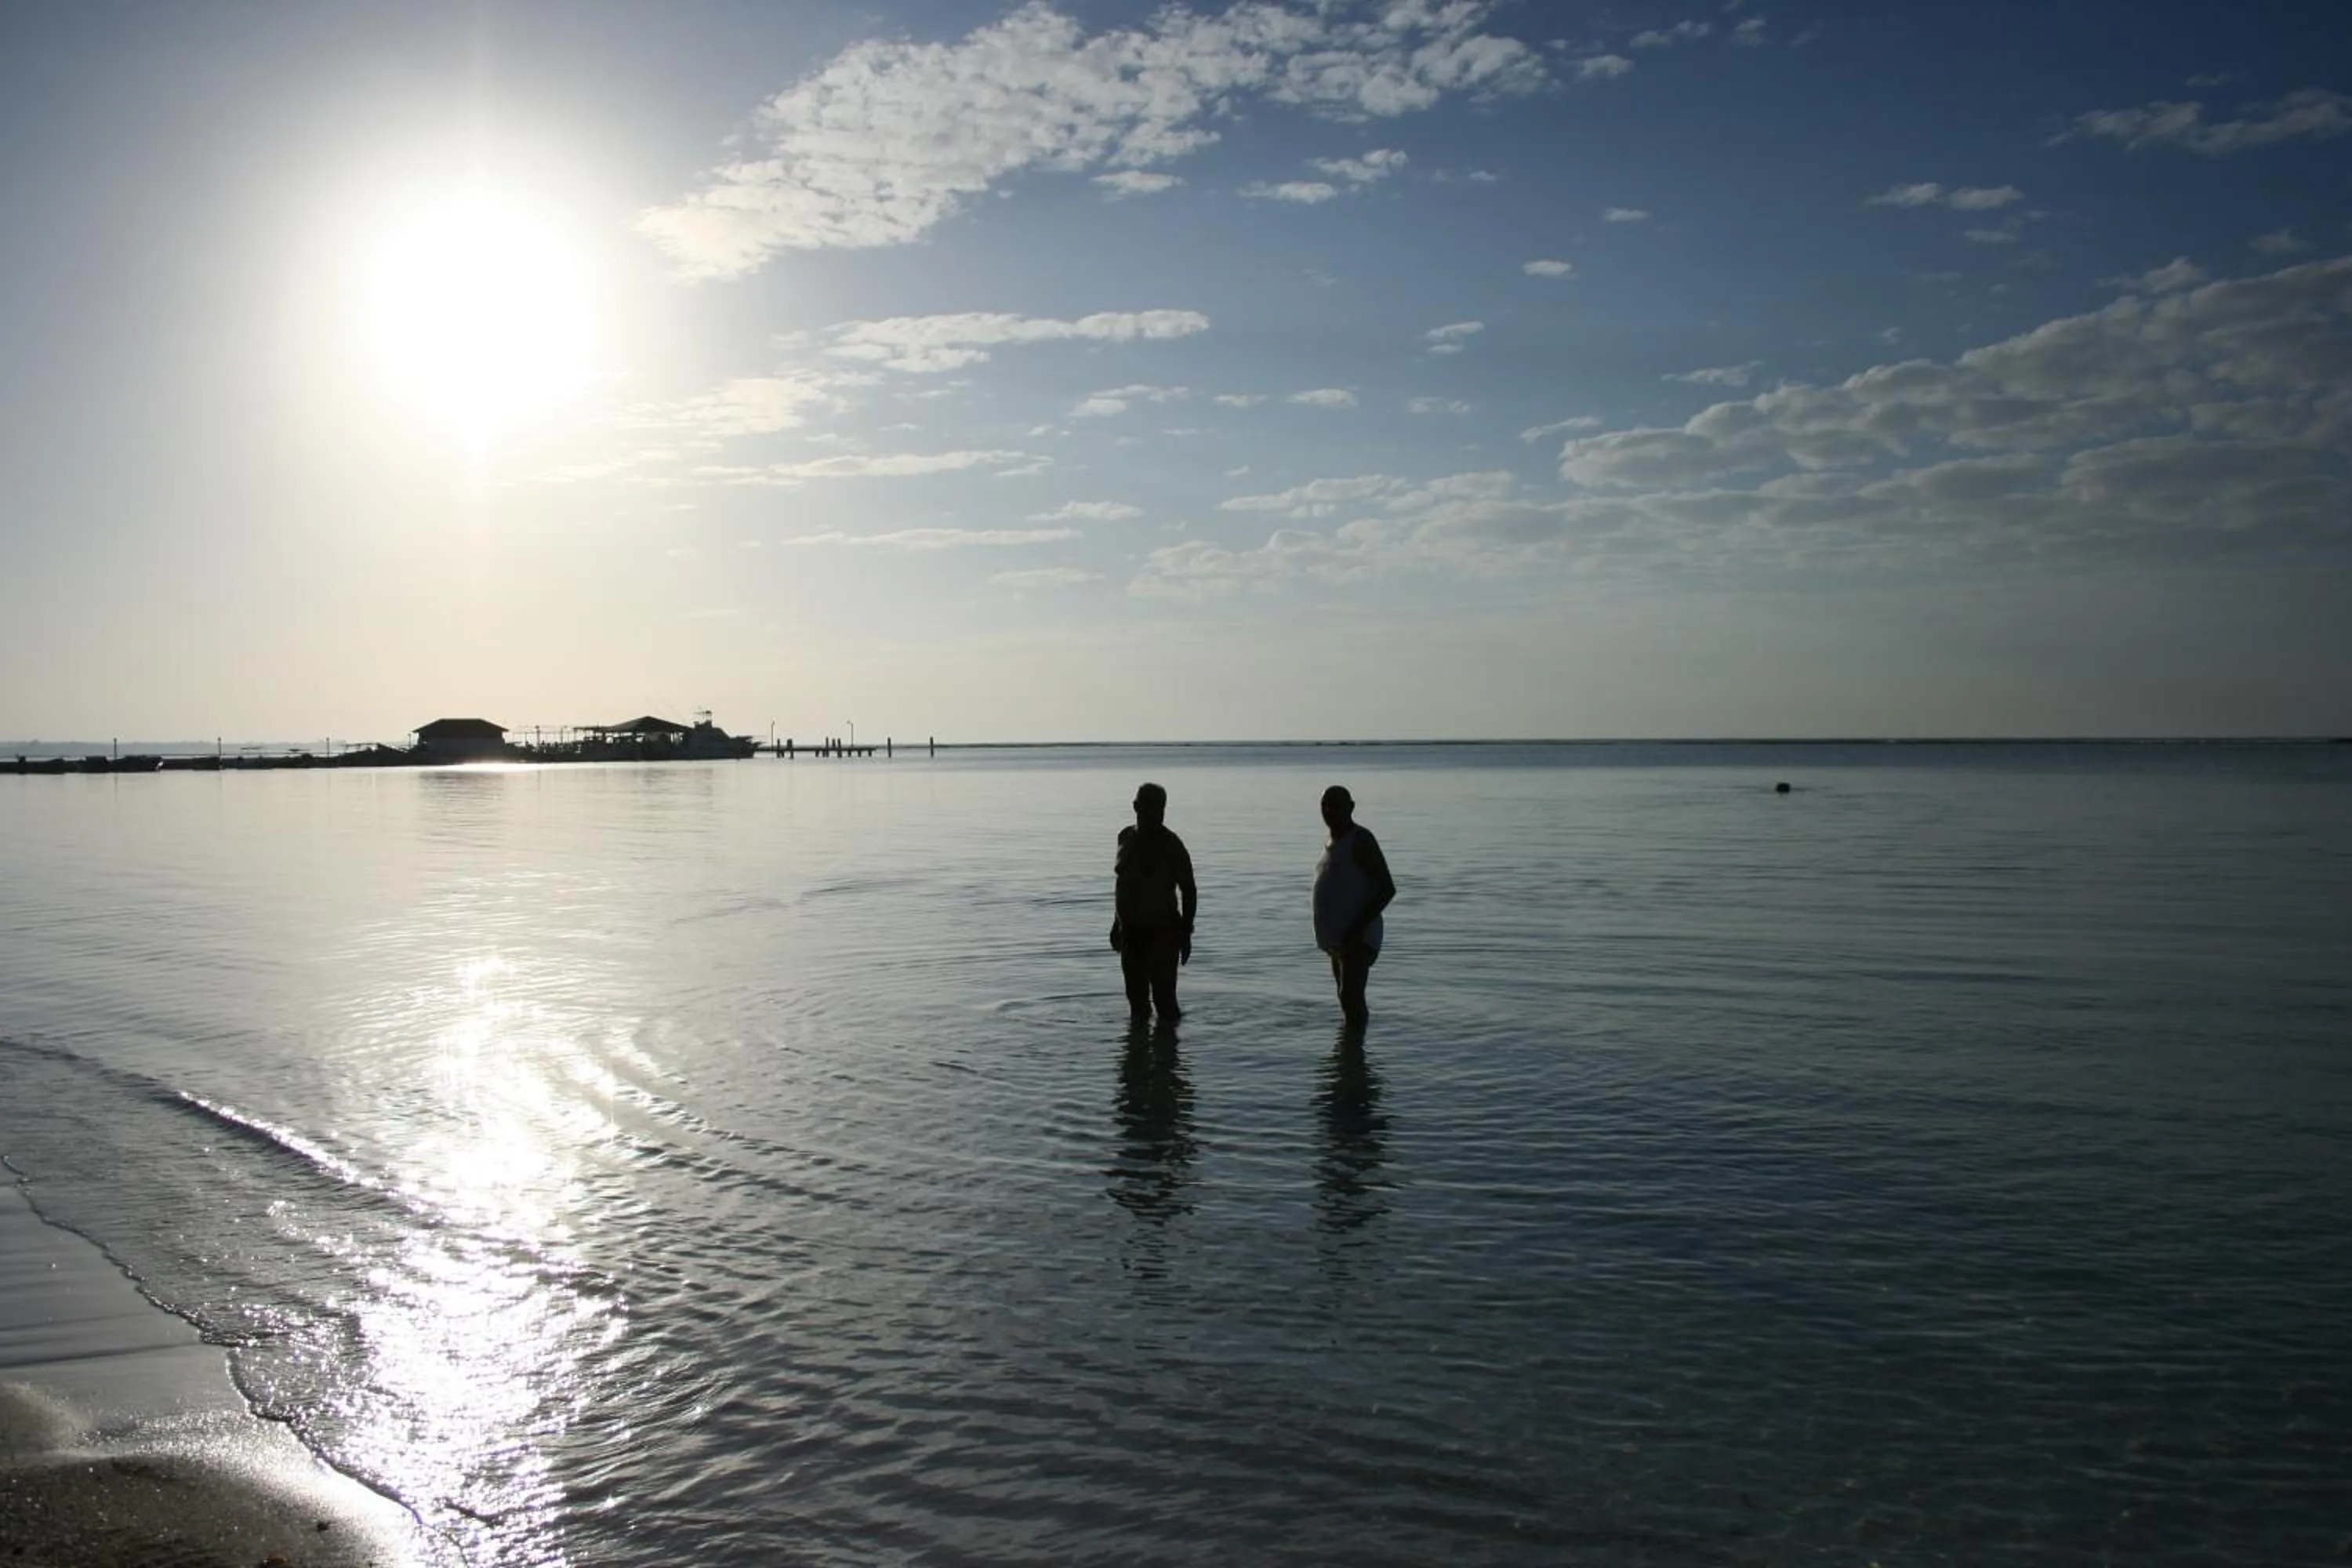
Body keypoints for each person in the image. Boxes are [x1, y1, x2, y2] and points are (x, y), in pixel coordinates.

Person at [1109, 782, 1196, 1021]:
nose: (1157, 814)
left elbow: (1189, 890)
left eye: (1161, 808)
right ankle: (1138, 1054)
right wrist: (1115, 923)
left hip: (1162, 934)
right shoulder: (1125, 837)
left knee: (1165, 1003)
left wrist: (1186, 932)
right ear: (1136, 807)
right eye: (1150, 808)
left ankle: (1170, 1054)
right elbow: (1123, 884)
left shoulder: (1171, 845)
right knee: (1136, 1003)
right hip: (1130, 933)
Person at [1312, 785, 1395, 1026]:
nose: (1329, 810)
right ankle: (1350, 1057)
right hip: (1339, 938)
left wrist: (1356, 927)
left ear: (1351, 807)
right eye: (1324, 805)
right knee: (1345, 997)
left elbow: (1387, 889)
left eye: (1335, 805)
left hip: (1358, 936)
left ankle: (1356, 1057)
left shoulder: (1360, 840)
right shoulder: (1332, 842)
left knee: (1351, 998)